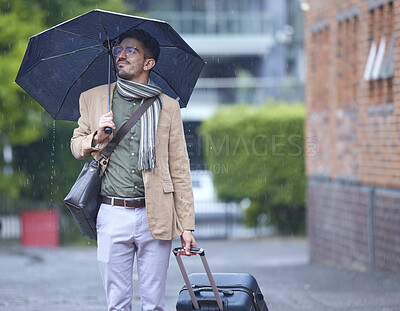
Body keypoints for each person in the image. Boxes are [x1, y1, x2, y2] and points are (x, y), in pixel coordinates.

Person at [70, 29, 196, 311]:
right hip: (112, 213)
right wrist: (97, 138)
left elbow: (179, 167)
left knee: (154, 306)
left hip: (157, 216)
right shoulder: (94, 99)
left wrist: (186, 226)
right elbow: (76, 146)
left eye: (131, 50)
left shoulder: (168, 107)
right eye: (119, 50)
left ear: (148, 63)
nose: (121, 55)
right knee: (117, 304)